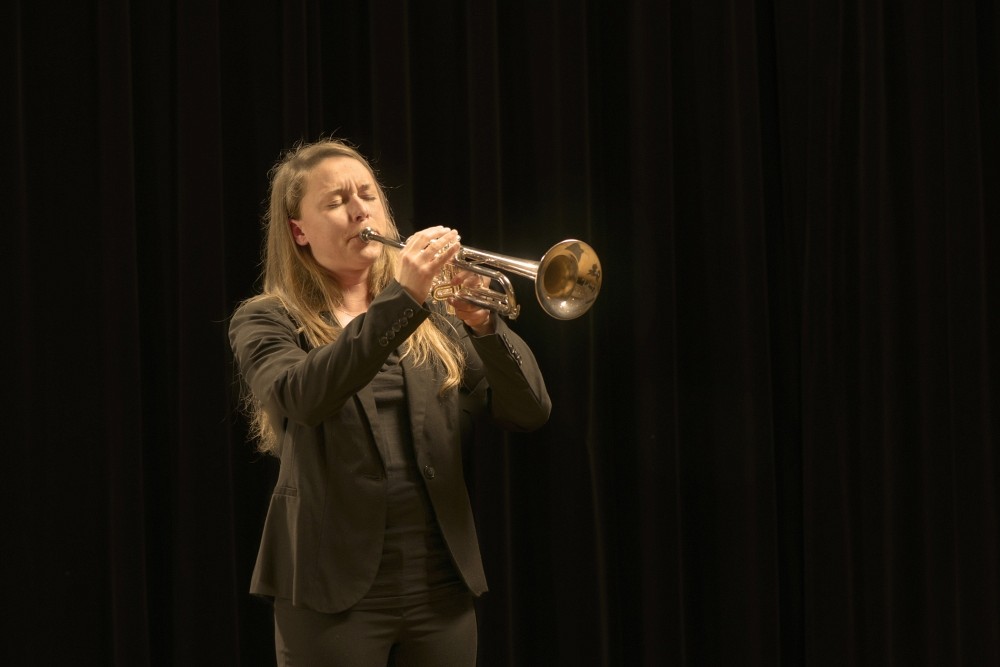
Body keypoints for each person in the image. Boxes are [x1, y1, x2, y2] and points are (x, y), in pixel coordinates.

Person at [229, 138, 551, 666]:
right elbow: (302, 397)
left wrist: (484, 324)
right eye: (336, 201)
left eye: (368, 195)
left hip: (440, 585)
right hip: (329, 590)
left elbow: (529, 411)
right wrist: (404, 297)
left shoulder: (435, 315)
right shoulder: (266, 318)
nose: (359, 210)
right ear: (299, 230)